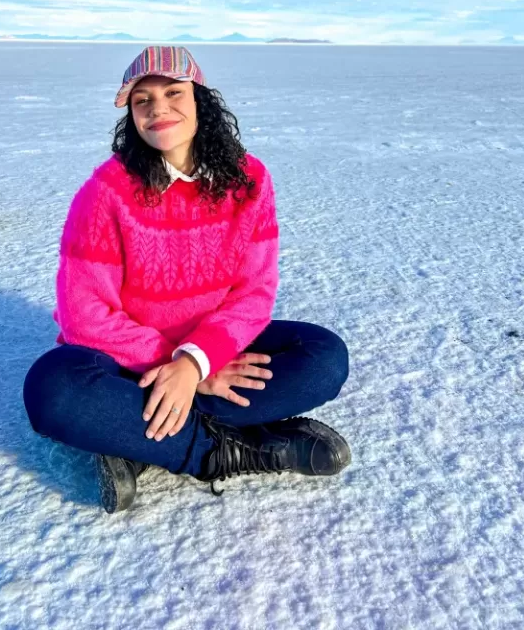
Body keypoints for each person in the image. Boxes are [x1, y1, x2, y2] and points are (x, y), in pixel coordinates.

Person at [23, 45, 351, 513]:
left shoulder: (249, 180)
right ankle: (232, 450)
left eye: (173, 93)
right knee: (52, 389)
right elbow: (83, 315)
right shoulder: (104, 193)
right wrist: (178, 371)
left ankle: (138, 441)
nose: (159, 109)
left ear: (200, 99)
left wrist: (197, 363)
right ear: (131, 114)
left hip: (215, 350)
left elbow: (254, 294)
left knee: (324, 357)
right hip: (129, 362)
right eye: (143, 100)